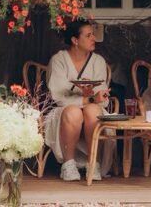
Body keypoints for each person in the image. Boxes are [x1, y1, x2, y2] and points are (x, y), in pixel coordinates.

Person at [45, 20, 114, 181]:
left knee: (93, 110)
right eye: (88, 35)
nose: (93, 39)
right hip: (64, 111)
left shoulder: (98, 61)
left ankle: (93, 162)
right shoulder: (59, 60)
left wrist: (97, 97)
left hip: (92, 108)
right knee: (73, 112)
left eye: (93, 35)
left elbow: (100, 96)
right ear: (75, 40)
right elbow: (57, 96)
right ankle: (68, 165)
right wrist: (86, 98)